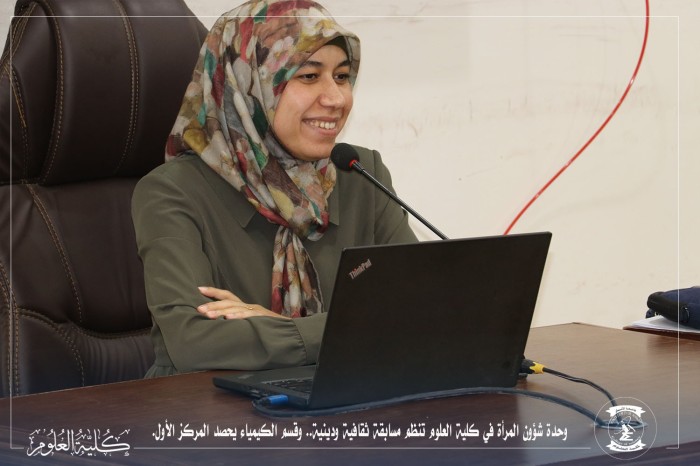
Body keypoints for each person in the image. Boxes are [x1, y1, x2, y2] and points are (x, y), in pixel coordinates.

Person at [131, 0, 417, 378]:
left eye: (342, 76)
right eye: (309, 76)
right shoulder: (171, 193)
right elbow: (194, 343)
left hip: (340, 394)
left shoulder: (359, 173)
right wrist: (344, 330)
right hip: (209, 404)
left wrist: (275, 326)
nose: (336, 98)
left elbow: (424, 309)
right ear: (248, 84)